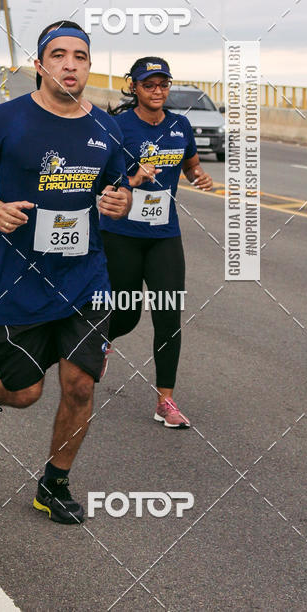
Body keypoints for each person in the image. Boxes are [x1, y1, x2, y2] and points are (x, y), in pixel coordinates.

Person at [0, 21, 131, 525]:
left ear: (89, 65)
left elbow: (116, 193)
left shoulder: (107, 127)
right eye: (58, 54)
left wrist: (119, 203)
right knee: (26, 392)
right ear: (40, 64)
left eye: (80, 55)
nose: (70, 64)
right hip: (22, 281)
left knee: (80, 385)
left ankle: (54, 483)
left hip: (86, 278)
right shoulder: (6, 121)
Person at [100, 57, 213, 428]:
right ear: (133, 86)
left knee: (169, 316)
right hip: (122, 235)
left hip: (164, 235)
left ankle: (165, 401)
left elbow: (190, 163)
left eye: (163, 84)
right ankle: (98, 339)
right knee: (128, 313)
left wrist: (198, 175)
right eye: (149, 84)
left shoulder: (180, 125)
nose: (158, 91)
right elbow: (99, 179)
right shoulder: (117, 126)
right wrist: (131, 179)